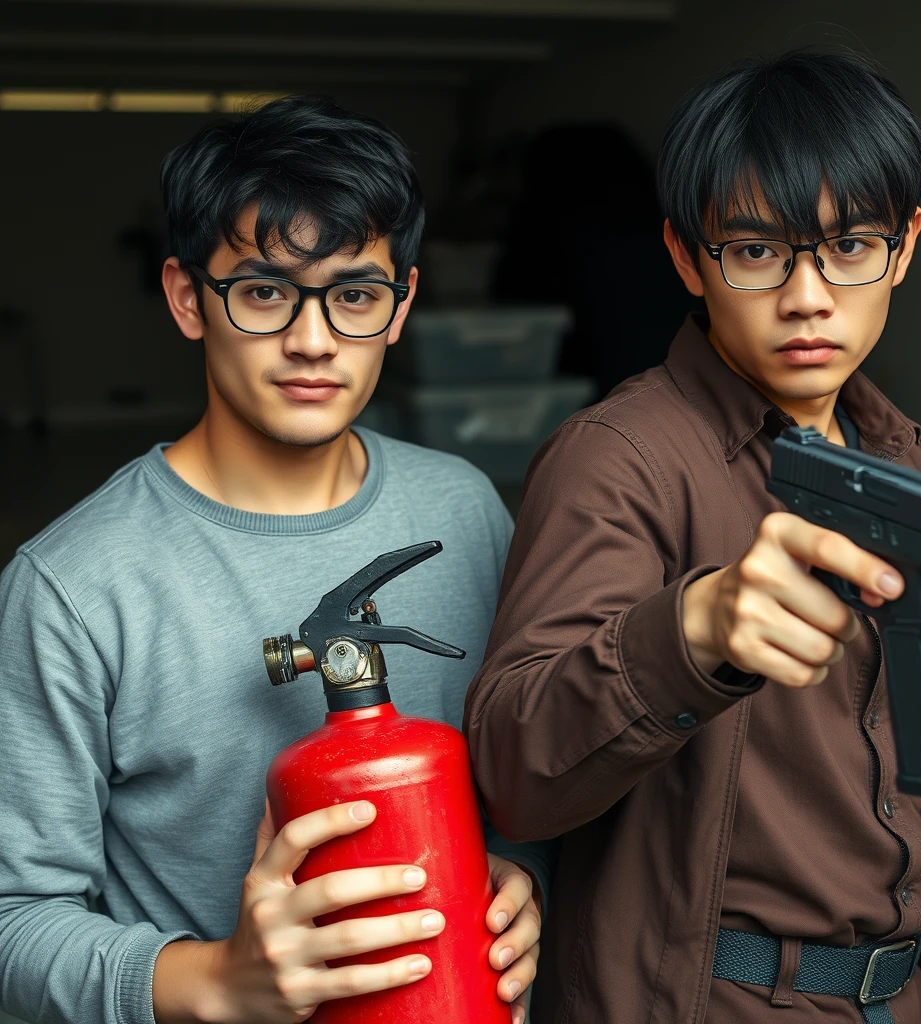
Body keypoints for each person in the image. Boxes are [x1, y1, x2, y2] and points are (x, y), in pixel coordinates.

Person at [464, 50, 921, 1024]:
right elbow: (512, 767)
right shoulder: (618, 457)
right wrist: (693, 632)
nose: (807, 295)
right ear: (684, 256)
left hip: (907, 992)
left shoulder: (912, 465)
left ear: (904, 245)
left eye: (848, 247)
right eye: (756, 251)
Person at [0, 96, 545, 1024]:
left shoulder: (464, 508)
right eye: (263, 292)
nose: (313, 338)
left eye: (355, 294)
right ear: (186, 299)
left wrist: (517, 881)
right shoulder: (71, 586)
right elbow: (13, 923)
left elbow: (521, 773)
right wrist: (215, 980)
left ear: (402, 306)